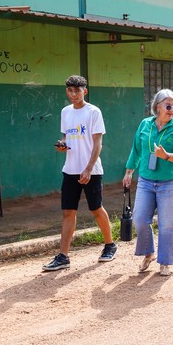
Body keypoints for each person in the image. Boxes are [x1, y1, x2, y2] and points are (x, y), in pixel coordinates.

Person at [43, 75, 117, 272]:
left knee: (96, 209)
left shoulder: (93, 112)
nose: (73, 95)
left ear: (85, 91)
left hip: (91, 170)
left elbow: (97, 142)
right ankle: (63, 256)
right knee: (68, 211)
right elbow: (66, 137)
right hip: (70, 169)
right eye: (70, 91)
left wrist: (89, 168)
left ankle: (110, 244)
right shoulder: (65, 112)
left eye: (77, 91)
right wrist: (62, 145)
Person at [123, 89, 173, 276]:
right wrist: (129, 171)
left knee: (167, 224)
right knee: (140, 219)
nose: (172, 110)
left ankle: (165, 262)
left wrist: (167, 156)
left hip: (170, 182)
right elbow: (136, 149)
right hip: (146, 180)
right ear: (157, 106)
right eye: (168, 106)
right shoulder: (145, 124)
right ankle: (149, 253)